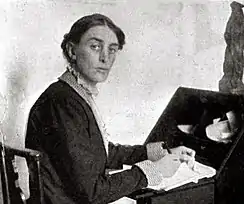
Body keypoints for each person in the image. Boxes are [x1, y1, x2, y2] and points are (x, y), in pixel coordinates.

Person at [25, 13, 195, 204]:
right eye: (95, 46)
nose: (105, 58)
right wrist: (153, 171)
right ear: (72, 51)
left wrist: (160, 153)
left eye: (112, 49)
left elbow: (100, 153)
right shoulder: (62, 103)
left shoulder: (73, 94)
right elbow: (93, 192)